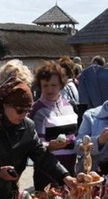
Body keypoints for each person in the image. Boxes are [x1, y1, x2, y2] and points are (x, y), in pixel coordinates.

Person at [0, 77, 77, 199]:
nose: (23, 115)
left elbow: (42, 155)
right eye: (19, 110)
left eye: (27, 110)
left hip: (11, 195)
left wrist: (64, 176)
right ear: (6, 105)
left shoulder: (28, 127)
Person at [30, 61, 78, 190]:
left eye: (53, 85)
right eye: (45, 85)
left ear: (61, 84)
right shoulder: (36, 110)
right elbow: (34, 144)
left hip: (70, 170)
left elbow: (76, 135)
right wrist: (49, 146)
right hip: (47, 172)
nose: (50, 89)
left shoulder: (70, 106)